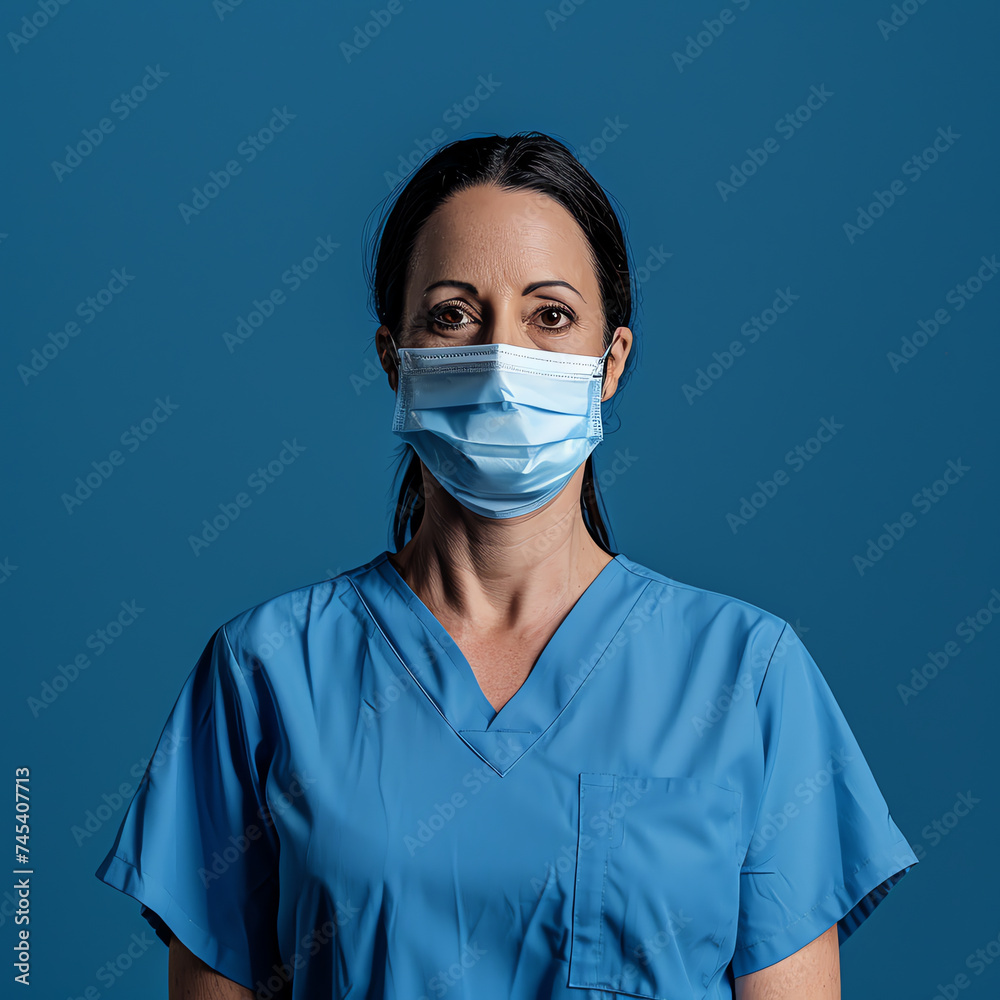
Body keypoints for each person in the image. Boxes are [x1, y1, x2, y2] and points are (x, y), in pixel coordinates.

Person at [95, 131, 918, 1000]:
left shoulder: (748, 679)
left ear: (612, 362)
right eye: (453, 313)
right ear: (395, 360)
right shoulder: (267, 673)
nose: (501, 358)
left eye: (550, 316)